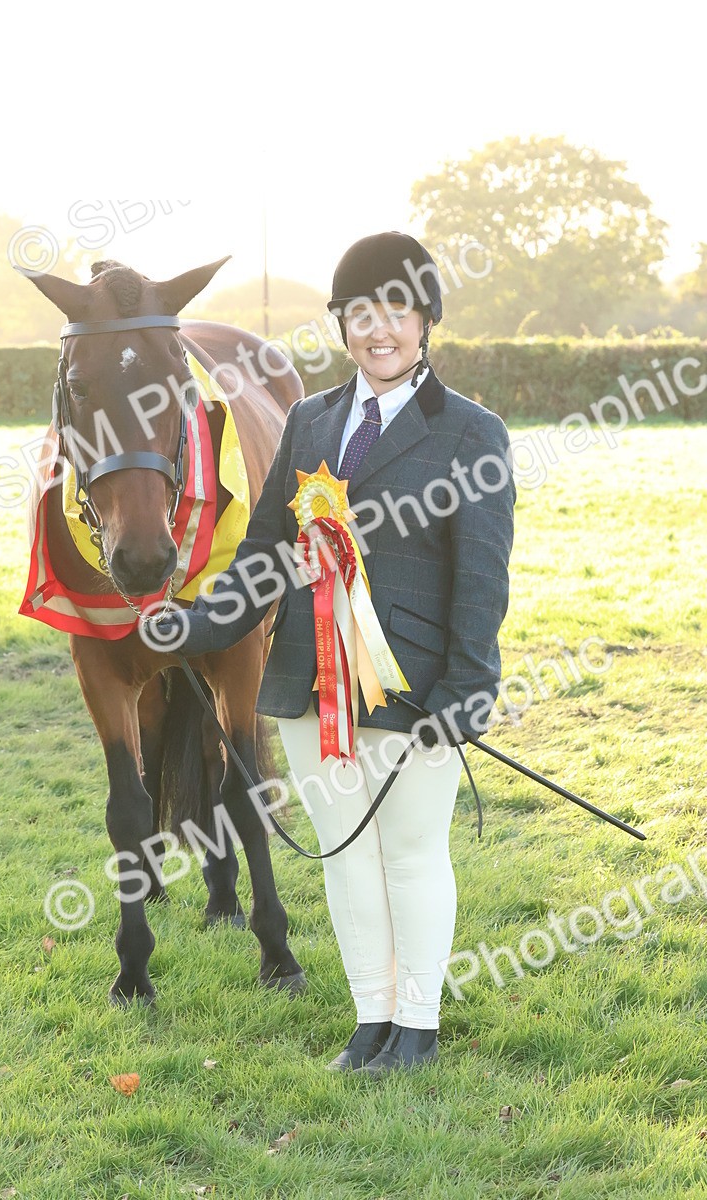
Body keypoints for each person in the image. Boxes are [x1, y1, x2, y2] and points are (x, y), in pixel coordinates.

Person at [156, 231, 515, 1074]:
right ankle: (371, 1020)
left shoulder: (471, 432)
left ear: (426, 320)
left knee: (412, 852)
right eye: (359, 313)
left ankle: (418, 1027)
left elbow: (482, 573)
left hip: (412, 687)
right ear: (342, 324)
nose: (377, 329)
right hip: (307, 685)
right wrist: (195, 626)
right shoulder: (311, 419)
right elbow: (265, 554)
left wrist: (469, 684)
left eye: (396, 310)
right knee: (347, 856)